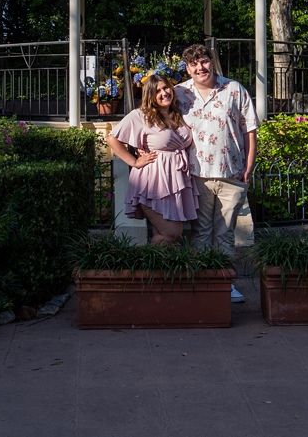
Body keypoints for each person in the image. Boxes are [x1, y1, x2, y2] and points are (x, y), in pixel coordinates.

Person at [175, 43, 258, 302]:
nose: (200, 68)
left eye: (204, 61)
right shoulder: (179, 94)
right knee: (200, 231)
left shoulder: (234, 89)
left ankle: (225, 283)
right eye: (193, 64)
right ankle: (201, 281)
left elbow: (250, 130)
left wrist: (249, 166)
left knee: (224, 231)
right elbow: (155, 121)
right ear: (187, 69)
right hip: (196, 174)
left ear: (212, 61)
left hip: (232, 172)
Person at [107, 73, 199, 244]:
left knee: (163, 236)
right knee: (172, 233)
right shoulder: (140, 115)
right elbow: (112, 138)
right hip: (153, 181)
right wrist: (134, 161)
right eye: (158, 91)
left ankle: (155, 269)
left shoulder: (178, 113)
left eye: (166, 88)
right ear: (150, 95)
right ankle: (143, 266)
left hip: (176, 180)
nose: (164, 93)